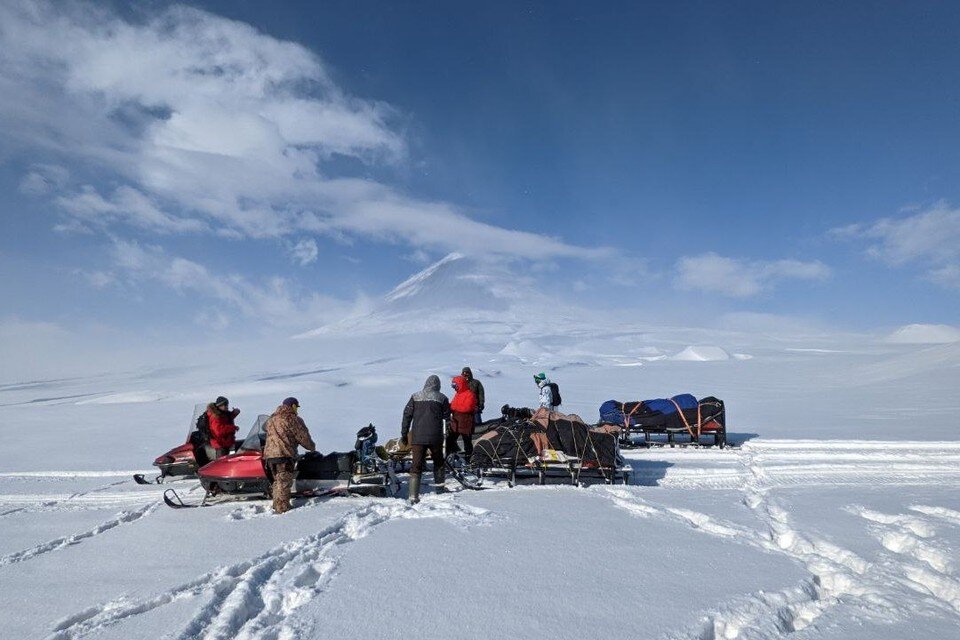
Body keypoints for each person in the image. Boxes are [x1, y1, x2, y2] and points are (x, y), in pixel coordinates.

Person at [401, 375, 450, 505]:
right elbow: (447, 418)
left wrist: (404, 433)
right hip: (435, 437)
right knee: (438, 463)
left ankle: (413, 496)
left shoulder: (415, 396)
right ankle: (440, 489)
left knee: (416, 466)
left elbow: (407, 415)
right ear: (438, 385)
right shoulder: (442, 398)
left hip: (418, 438)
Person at [263, 397, 316, 514]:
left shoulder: (272, 419)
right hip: (284, 455)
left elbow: (265, 429)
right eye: (296, 407)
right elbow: (303, 437)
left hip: (269, 456)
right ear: (292, 406)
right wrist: (312, 447)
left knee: (277, 482)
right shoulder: (292, 419)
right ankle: (282, 509)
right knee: (284, 482)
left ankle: (276, 505)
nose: (297, 409)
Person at [447, 375, 478, 458]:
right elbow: (453, 404)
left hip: (465, 423)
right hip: (456, 422)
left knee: (467, 441)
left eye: (455, 385)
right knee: (450, 439)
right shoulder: (458, 394)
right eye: (453, 386)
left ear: (460, 384)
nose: (454, 388)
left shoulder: (470, 394)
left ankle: (469, 457)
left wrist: (452, 408)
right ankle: (451, 454)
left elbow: (468, 408)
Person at [205, 396, 240, 461]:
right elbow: (219, 431)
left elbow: (226, 419)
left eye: (227, 404)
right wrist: (233, 428)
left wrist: (234, 413)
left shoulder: (222, 413)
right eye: (224, 405)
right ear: (219, 406)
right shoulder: (215, 416)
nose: (227, 406)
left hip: (225, 442)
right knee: (221, 463)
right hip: (220, 444)